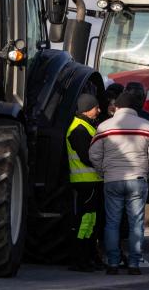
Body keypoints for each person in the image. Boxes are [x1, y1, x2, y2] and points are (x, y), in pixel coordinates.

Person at [89, 92, 149, 276]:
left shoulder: (104, 127)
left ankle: (113, 263)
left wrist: (104, 172)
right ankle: (134, 264)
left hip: (112, 180)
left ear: (118, 107)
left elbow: (94, 154)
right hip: (137, 180)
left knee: (112, 223)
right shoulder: (147, 126)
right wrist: (146, 172)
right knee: (136, 223)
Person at [66, 94, 105, 272]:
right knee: (85, 220)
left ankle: (88, 256)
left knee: (90, 220)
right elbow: (87, 157)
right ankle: (80, 258)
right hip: (86, 181)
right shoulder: (79, 129)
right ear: (87, 109)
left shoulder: (86, 126)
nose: (99, 110)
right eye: (96, 107)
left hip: (91, 181)